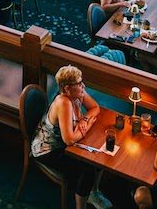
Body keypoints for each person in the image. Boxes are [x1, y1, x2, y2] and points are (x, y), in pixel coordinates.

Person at [30, 65, 100, 209]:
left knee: (97, 157)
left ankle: (93, 193)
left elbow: (95, 108)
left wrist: (84, 120)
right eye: (79, 83)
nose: (83, 86)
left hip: (65, 144)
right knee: (87, 170)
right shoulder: (63, 102)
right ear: (67, 88)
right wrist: (88, 125)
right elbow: (69, 139)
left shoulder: (78, 92)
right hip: (48, 149)